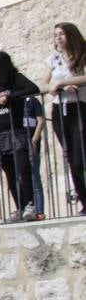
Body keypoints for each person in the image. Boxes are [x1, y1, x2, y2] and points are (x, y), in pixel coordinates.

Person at [0, 51, 40, 222]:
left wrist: (9, 97)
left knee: (23, 168)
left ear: (1, 65)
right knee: (9, 172)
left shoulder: (16, 79)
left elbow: (33, 89)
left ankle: (29, 204)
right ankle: (19, 207)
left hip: (16, 129)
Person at [44, 21, 86, 214]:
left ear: (71, 35)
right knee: (71, 157)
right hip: (60, 110)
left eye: (61, 34)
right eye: (55, 35)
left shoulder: (82, 54)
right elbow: (43, 84)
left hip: (79, 107)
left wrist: (63, 81)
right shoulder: (54, 59)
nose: (58, 38)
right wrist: (55, 86)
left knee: (80, 157)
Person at [23, 93, 46, 220]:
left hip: (31, 141)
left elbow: (41, 120)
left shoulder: (32, 100)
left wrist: (34, 140)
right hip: (20, 142)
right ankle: (26, 208)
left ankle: (40, 210)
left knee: (35, 177)